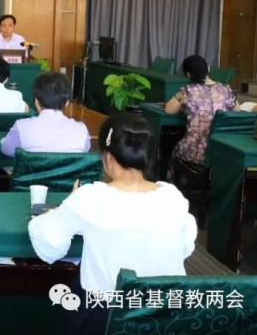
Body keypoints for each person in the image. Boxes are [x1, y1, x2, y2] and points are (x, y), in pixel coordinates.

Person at [28, 113, 197, 334]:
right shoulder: (173, 197)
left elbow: (49, 243)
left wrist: (64, 207)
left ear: (107, 157)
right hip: (165, 317)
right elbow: (185, 247)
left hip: (104, 318)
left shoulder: (90, 197)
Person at [165, 55, 239, 168]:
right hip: (221, 151)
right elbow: (237, 111)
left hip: (193, 152)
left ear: (188, 75)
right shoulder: (226, 89)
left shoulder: (187, 91)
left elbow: (169, 110)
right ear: (208, 68)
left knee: (173, 150)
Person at [1, 72, 90, 157]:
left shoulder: (21, 126)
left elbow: (7, 150)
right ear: (67, 103)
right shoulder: (82, 130)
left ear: (36, 102)